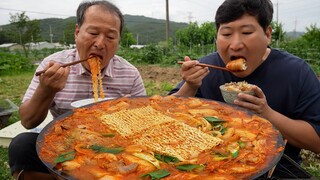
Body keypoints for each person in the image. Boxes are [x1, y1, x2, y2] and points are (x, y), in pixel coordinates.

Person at [170, 0, 320, 178]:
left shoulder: (296, 72)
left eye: (246, 32)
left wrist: (267, 114)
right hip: (208, 169)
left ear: (268, 34)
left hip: (277, 170)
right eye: (226, 33)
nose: (235, 44)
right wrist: (190, 86)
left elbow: (317, 141)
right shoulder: (206, 68)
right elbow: (165, 114)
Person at [8, 0, 146, 179]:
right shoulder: (53, 65)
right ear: (77, 32)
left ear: (118, 41)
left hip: (116, 144)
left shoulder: (129, 73)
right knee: (22, 145)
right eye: (93, 33)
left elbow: (144, 124)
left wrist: (127, 109)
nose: (100, 43)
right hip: (64, 142)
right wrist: (46, 90)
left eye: (111, 37)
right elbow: (28, 121)